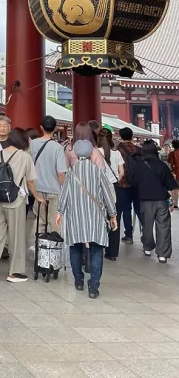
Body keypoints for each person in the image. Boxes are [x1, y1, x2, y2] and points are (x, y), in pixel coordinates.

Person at [56, 140, 118, 299]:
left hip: (75, 216)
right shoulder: (98, 172)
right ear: (92, 154)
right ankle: (94, 287)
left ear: (75, 154)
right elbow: (107, 195)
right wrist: (113, 215)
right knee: (97, 249)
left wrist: (59, 212)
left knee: (75, 247)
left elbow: (65, 194)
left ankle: (78, 280)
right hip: (95, 217)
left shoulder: (71, 172)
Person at [0, 127, 42, 284]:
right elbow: (30, 181)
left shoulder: (0, 154)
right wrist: (37, 197)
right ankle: (14, 272)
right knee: (16, 237)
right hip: (14, 201)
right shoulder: (24, 156)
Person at [126, 139, 177, 263]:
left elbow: (131, 181)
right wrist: (173, 202)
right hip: (161, 201)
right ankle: (162, 254)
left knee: (147, 226)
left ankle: (148, 247)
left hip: (145, 200)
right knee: (164, 227)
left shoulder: (139, 166)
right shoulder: (162, 166)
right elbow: (172, 186)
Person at [29, 115, 68, 234]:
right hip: (54, 189)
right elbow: (61, 173)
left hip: (37, 188)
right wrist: (63, 187)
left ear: (41, 127)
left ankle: (36, 246)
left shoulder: (33, 144)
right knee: (54, 221)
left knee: (40, 220)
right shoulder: (58, 147)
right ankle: (53, 249)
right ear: (55, 128)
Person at [97, 131, 125, 261]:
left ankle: (98, 245)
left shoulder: (95, 152)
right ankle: (112, 252)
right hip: (114, 187)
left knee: (98, 217)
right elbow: (122, 172)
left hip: (99, 188)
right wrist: (116, 181)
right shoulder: (117, 153)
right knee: (114, 217)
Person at [116, 127, 142, 244]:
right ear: (132, 136)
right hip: (138, 183)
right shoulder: (139, 149)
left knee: (126, 210)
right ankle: (146, 234)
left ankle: (129, 235)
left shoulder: (118, 150)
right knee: (139, 209)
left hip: (123, 183)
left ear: (120, 136)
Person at [166, 140, 179, 208]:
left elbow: (168, 161)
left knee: (176, 189)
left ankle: (175, 204)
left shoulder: (172, 153)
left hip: (176, 173)